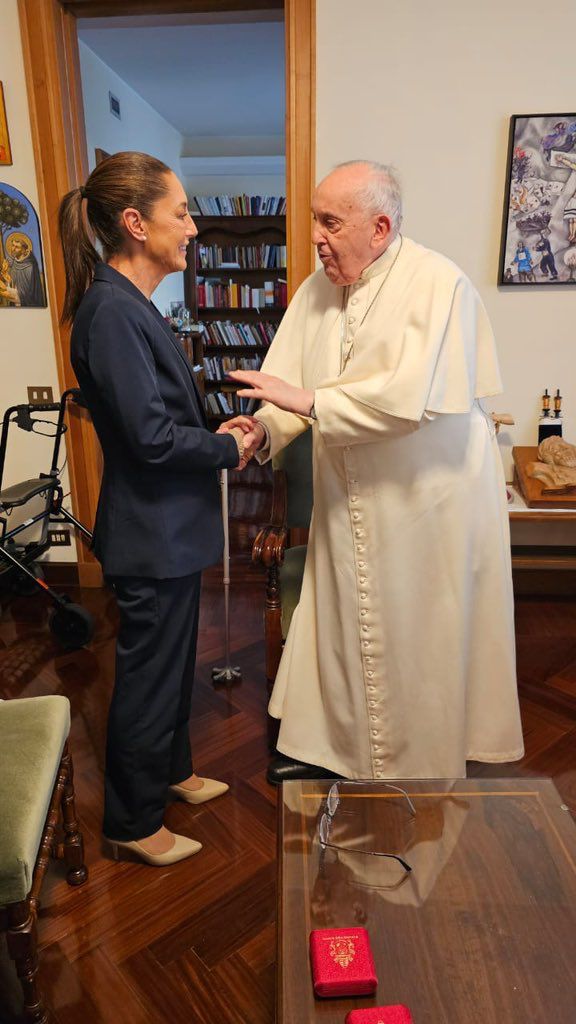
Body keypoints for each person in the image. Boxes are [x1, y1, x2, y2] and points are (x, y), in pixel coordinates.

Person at [225, 160, 524, 784]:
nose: (316, 236)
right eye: (315, 220)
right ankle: (340, 749)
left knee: (419, 632)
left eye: (330, 221)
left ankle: (418, 763)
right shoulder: (318, 288)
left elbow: (403, 399)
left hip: (425, 499)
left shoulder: (437, 284)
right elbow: (291, 384)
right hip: (351, 496)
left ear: (380, 226)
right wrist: (259, 429)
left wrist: (305, 404)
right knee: (343, 622)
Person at [58, 152, 253, 865]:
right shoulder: (110, 311)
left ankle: (170, 773)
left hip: (168, 528)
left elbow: (161, 423)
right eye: (182, 213)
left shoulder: (130, 304)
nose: (194, 227)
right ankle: (133, 823)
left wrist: (216, 435)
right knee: (147, 677)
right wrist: (226, 449)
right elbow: (148, 439)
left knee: (171, 666)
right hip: (152, 532)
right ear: (136, 224)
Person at [4, 233, 45, 306]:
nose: (13, 249)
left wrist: (13, 294)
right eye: (12, 245)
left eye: (17, 247)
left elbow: (31, 294)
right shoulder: (14, 263)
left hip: (27, 305)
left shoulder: (30, 267)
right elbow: (11, 282)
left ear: (23, 250)